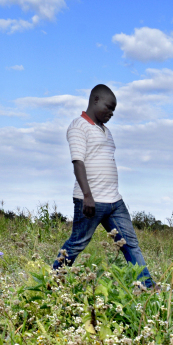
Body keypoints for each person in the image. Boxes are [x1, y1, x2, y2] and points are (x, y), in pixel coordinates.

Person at [53, 84, 156, 289]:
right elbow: (78, 162)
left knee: (129, 243)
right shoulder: (78, 127)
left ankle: (147, 286)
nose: (111, 113)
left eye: (114, 111)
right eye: (108, 108)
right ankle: (53, 281)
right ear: (95, 100)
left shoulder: (105, 131)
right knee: (77, 244)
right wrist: (87, 195)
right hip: (91, 200)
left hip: (114, 201)